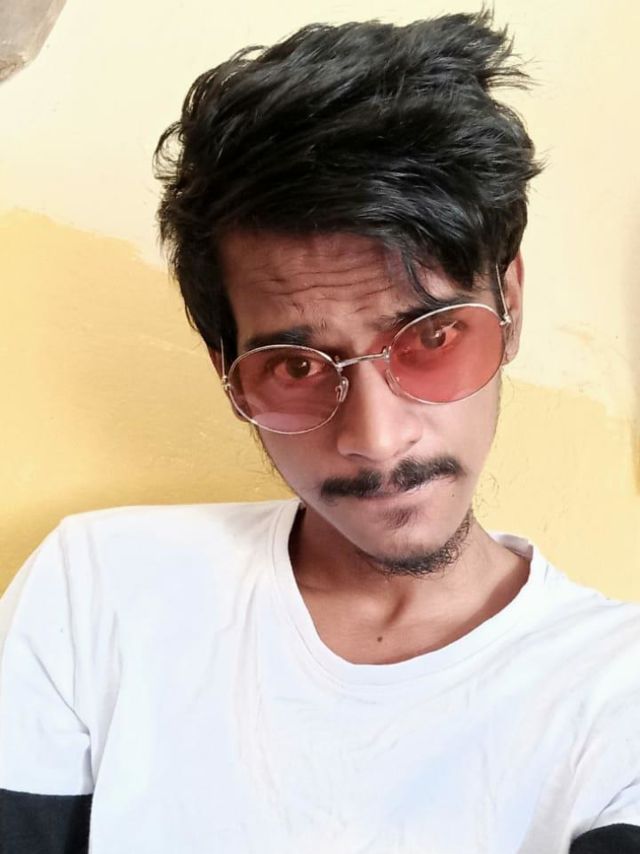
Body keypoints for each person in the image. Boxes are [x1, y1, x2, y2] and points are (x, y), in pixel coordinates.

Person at [1, 10, 638, 854]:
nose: (376, 439)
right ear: (227, 368)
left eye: (433, 336)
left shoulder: (617, 691)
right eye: (297, 366)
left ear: (509, 305)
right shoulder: (98, 593)